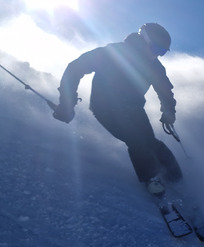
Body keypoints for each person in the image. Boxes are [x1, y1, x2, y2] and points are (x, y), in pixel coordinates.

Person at [53, 23, 181, 196]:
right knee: (136, 140)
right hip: (106, 106)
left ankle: (177, 179)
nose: (157, 55)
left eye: (162, 52)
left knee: (151, 142)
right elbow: (75, 68)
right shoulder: (113, 53)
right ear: (143, 40)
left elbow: (165, 91)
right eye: (156, 48)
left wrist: (168, 111)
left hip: (134, 109)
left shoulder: (155, 67)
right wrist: (66, 103)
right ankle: (151, 178)